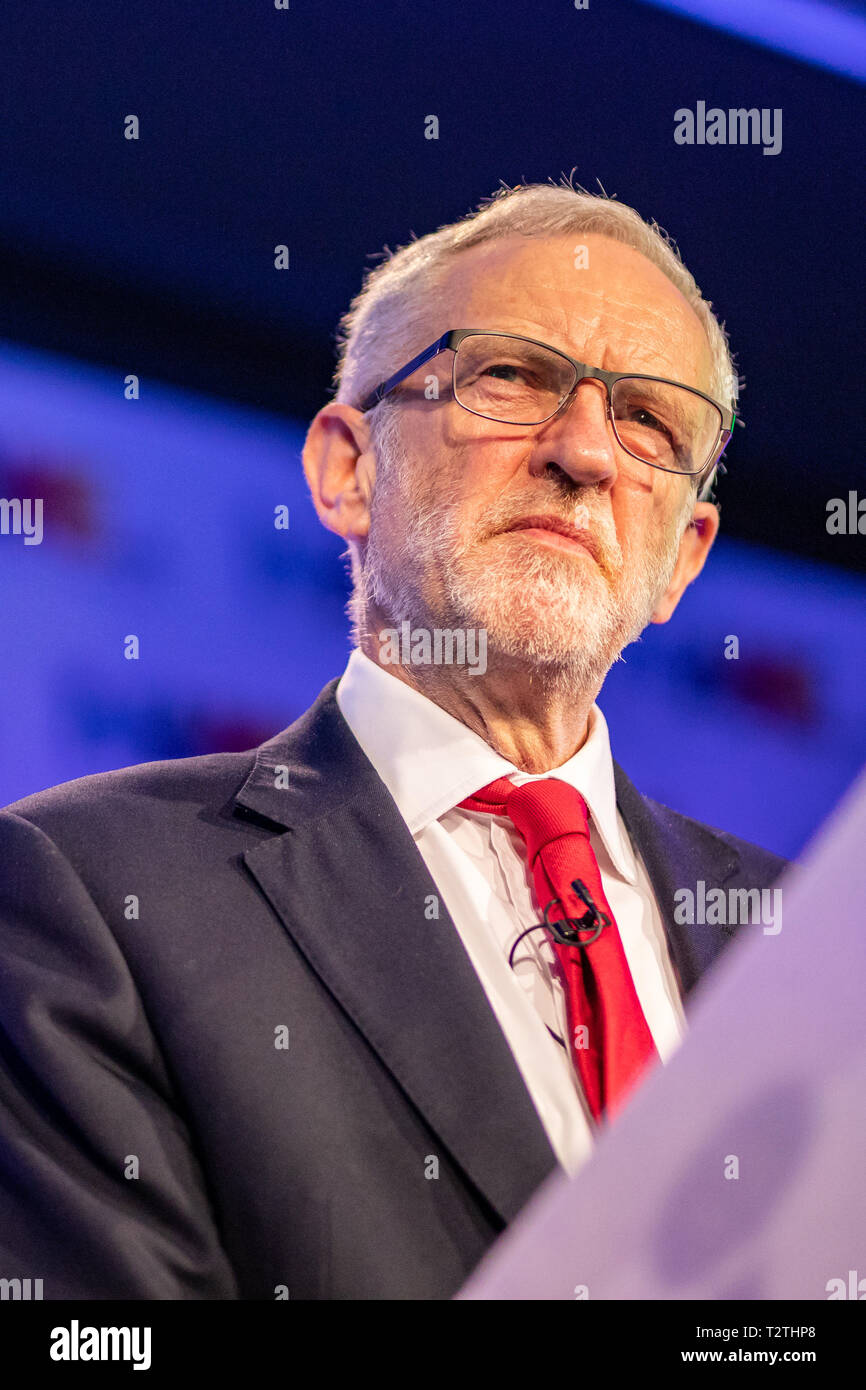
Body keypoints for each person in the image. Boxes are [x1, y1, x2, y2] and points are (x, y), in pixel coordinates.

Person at [0, 180, 787, 1300]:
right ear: (346, 468)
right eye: (510, 374)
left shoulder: (804, 944)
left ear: (682, 558)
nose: (583, 453)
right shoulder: (87, 895)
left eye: (646, 421)